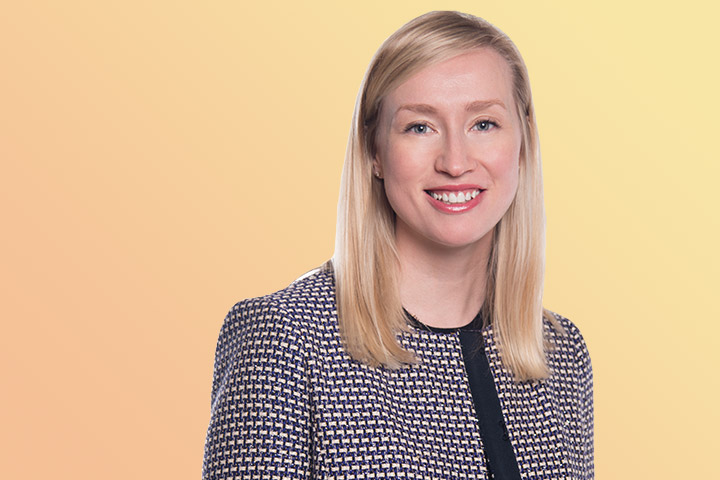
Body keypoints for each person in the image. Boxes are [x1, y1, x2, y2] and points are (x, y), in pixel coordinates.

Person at [203, 10, 593, 480]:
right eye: (419, 127)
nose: (455, 162)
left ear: (524, 142)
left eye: (484, 124)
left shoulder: (560, 354)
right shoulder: (285, 338)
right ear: (375, 152)